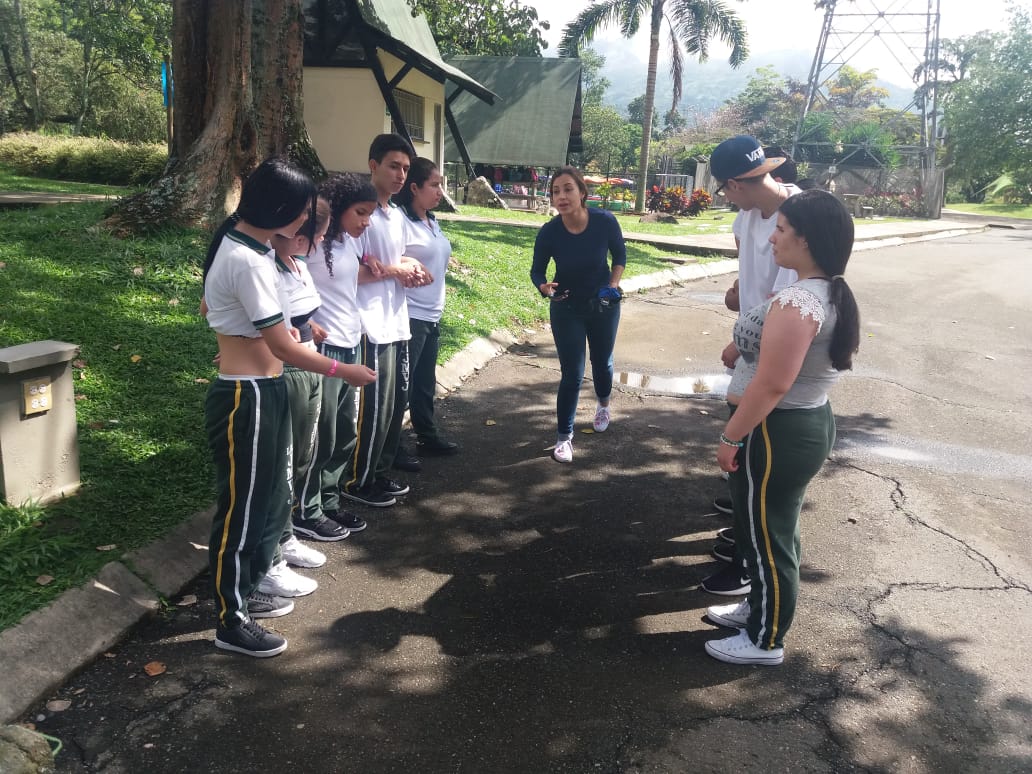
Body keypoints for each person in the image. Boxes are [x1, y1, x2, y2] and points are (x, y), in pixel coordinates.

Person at [202, 157, 375, 658]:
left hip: (263, 388)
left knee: (265, 498)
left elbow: (233, 317)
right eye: (302, 211)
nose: (305, 222)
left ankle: (247, 591)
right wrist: (344, 370)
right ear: (280, 209)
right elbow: (282, 345)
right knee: (242, 510)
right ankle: (231, 619)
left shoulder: (249, 249)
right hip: (248, 394)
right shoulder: (247, 259)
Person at [703, 189, 861, 666]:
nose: (773, 237)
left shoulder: (799, 301)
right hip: (795, 424)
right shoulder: (820, 292)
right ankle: (757, 610)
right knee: (766, 530)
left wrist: (731, 437)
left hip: (777, 430)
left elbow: (772, 384)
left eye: (783, 229)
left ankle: (765, 639)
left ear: (806, 240)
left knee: (768, 538)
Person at [703, 137, 802, 596]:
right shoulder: (746, 218)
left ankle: (748, 560)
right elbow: (750, 273)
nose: (726, 198)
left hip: (774, 346)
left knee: (751, 448)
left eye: (725, 190)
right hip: (751, 340)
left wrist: (740, 341)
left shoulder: (797, 216)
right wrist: (737, 293)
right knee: (745, 450)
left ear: (735, 185)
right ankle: (745, 531)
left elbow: (787, 297)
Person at [340, 134, 431, 507]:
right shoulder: (360, 215)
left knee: (394, 404)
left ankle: (378, 471)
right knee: (373, 408)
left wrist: (412, 266)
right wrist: (395, 270)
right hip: (369, 323)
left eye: (406, 168)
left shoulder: (395, 216)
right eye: (394, 166)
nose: (400, 175)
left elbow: (393, 260)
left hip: (397, 320)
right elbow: (351, 271)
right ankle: (357, 481)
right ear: (373, 165)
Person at [298, 173, 381, 538]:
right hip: (325, 347)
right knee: (323, 434)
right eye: (360, 212)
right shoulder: (312, 244)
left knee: (345, 432)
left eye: (370, 214)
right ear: (339, 207)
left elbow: (348, 278)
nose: (366, 222)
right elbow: (286, 282)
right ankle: (307, 509)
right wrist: (305, 323)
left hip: (352, 343)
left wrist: (372, 262)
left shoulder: (348, 242)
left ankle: (329, 502)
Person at [259, 197, 336, 590]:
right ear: (299, 235)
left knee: (301, 457)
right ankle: (269, 555)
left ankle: (285, 535)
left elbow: (300, 317)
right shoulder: (264, 268)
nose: (319, 244)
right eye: (317, 237)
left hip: (309, 364)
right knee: (282, 465)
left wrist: (311, 329)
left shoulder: (297, 264)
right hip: (287, 371)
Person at [530, 165, 626, 464]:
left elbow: (619, 256)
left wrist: (612, 285)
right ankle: (564, 437)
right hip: (566, 306)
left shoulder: (604, 221)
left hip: (603, 304)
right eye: (555, 191)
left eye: (568, 189)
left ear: (582, 193)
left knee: (602, 362)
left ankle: (603, 405)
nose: (561, 196)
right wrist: (544, 287)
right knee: (572, 373)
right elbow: (537, 271)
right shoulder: (550, 231)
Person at [393, 157, 460, 458]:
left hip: (432, 314)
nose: (439, 192)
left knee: (424, 382)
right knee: (403, 385)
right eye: (434, 185)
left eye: (440, 185)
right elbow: (387, 260)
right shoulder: (400, 222)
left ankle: (427, 435)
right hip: (411, 314)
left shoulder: (431, 221)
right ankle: (392, 446)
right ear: (414, 188)